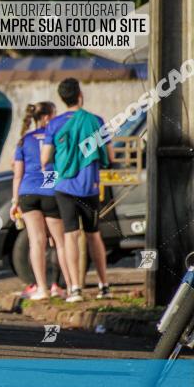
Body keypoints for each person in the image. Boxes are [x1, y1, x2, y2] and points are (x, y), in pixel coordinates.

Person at [41, 78, 113, 303]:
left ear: (62, 99)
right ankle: (104, 286)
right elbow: (109, 157)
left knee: (70, 236)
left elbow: (45, 159)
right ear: (80, 95)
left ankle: (75, 289)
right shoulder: (95, 121)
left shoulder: (55, 125)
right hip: (89, 186)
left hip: (64, 187)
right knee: (94, 235)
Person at [9, 102, 71, 301]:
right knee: (60, 243)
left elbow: (18, 175)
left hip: (28, 193)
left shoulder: (23, 140)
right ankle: (66, 287)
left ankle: (42, 289)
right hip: (50, 191)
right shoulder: (56, 137)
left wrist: (15, 201)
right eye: (54, 115)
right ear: (46, 118)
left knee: (36, 242)